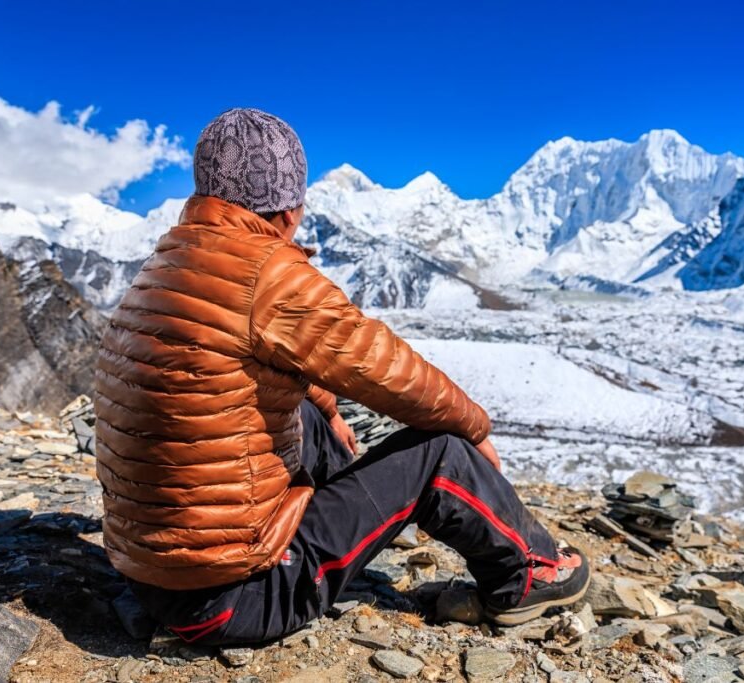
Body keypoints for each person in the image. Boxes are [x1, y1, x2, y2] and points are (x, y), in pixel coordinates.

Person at [94, 108, 589, 646]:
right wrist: (474, 428)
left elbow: (262, 350)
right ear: (290, 210)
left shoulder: (169, 261)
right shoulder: (267, 272)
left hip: (153, 576)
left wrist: (326, 411)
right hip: (239, 596)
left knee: (300, 411)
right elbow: (387, 369)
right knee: (439, 452)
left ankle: (345, 506)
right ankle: (531, 573)